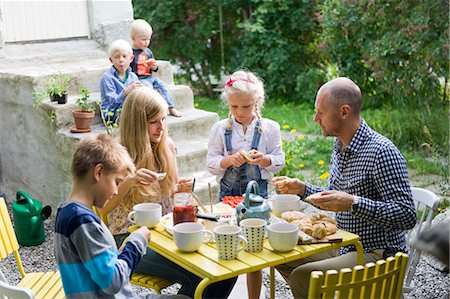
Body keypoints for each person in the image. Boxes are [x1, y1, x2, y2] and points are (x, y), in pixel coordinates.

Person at [272, 77, 417, 298]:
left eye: (321, 112)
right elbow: (335, 196)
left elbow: (406, 215)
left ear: (344, 111)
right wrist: (302, 189)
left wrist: (354, 203)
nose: (315, 119)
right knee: (280, 256)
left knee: (303, 277)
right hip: (346, 243)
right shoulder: (340, 144)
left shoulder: (382, 152)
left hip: (379, 254)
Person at [99, 87, 237, 298]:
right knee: (202, 275)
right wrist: (129, 181)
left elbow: (167, 194)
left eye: (163, 119)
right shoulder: (116, 156)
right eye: (154, 121)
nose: (161, 127)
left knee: (227, 270)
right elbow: (102, 207)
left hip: (167, 232)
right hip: (129, 239)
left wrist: (177, 189)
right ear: (137, 123)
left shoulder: (166, 147)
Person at [54, 134, 187, 299]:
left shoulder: (68, 213)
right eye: (117, 182)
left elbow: (101, 266)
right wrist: (136, 242)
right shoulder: (81, 221)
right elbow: (112, 281)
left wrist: (123, 249)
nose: (116, 191)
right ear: (99, 172)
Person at [206, 69, 285, 299]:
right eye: (234, 107)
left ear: (257, 102)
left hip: (257, 200)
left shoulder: (269, 128)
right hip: (228, 198)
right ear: (228, 103)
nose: (239, 112)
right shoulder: (220, 129)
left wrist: (265, 160)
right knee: (225, 245)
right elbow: (211, 162)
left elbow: (279, 161)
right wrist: (229, 160)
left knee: (254, 250)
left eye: (246, 106)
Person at [130, 19, 181, 117]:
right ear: (133, 37)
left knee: (163, 86)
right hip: (138, 79)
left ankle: (171, 107)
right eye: (143, 39)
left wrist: (154, 67)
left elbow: (155, 68)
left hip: (150, 77)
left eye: (148, 39)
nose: (146, 42)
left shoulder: (148, 52)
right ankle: (153, 111)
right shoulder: (130, 53)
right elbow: (128, 71)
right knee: (149, 89)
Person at [100, 39, 142, 124]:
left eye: (124, 56)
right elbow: (113, 103)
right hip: (112, 114)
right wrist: (126, 92)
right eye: (116, 57)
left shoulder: (133, 77)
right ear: (111, 60)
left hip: (129, 110)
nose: (121, 60)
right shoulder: (107, 78)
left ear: (131, 58)